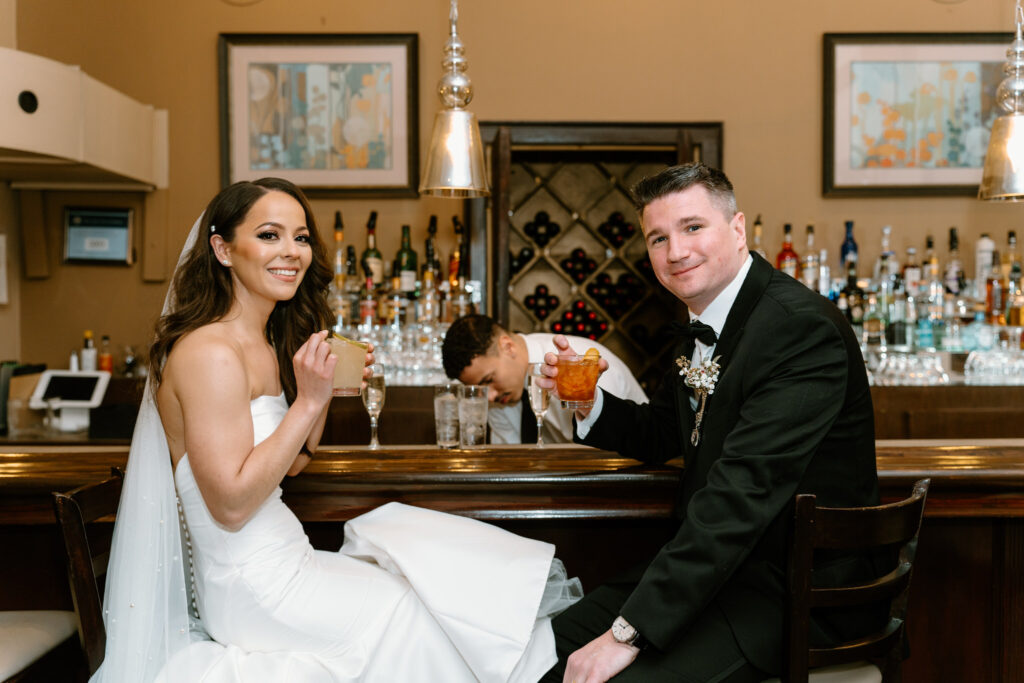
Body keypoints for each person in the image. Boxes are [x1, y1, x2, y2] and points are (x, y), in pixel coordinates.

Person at [95, 178, 581, 683]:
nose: (291, 251)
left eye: (301, 238)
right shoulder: (210, 353)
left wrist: (325, 391)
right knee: (420, 620)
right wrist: (306, 401)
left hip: (289, 561)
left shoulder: (260, 344)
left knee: (435, 590)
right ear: (222, 249)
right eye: (269, 235)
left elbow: (295, 462)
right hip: (255, 588)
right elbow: (231, 505)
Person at [538, 163, 883, 683]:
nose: (675, 251)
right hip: (719, 577)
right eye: (658, 237)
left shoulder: (798, 330)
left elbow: (738, 500)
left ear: (738, 229)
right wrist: (587, 401)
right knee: (540, 648)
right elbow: (666, 432)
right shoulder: (709, 324)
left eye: (692, 227)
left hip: (793, 594)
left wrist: (627, 632)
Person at [441, 314, 648, 444]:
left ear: (507, 346)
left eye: (488, 380)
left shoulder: (574, 362)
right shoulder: (502, 394)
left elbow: (608, 448)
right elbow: (512, 458)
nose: (490, 396)